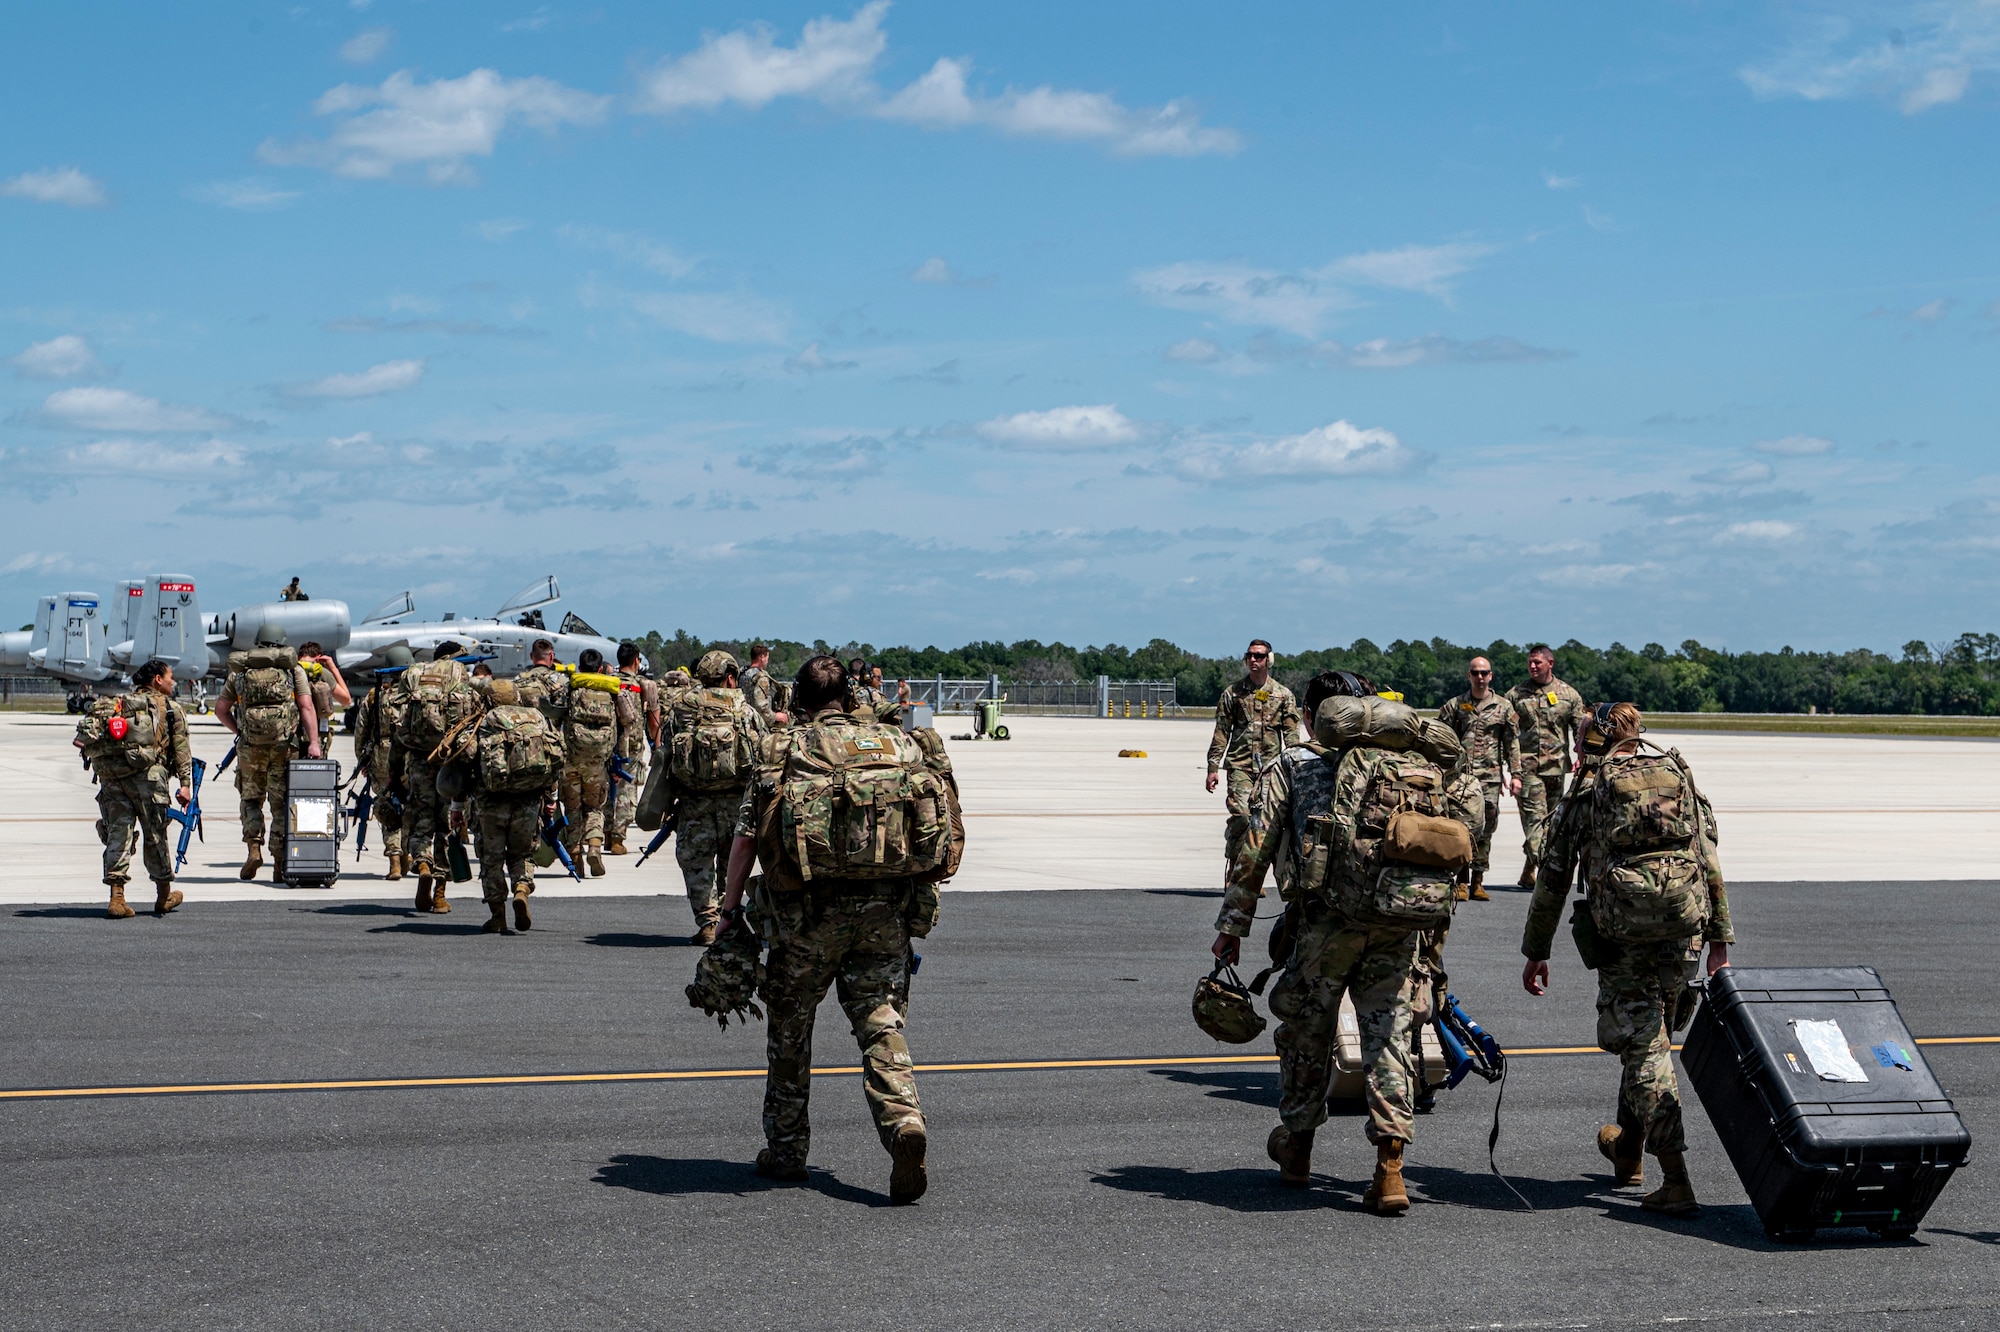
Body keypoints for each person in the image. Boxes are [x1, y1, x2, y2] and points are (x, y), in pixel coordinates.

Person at [1213, 675, 1478, 1213]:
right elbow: (1467, 822)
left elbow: (1255, 847)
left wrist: (1232, 927)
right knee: (1391, 1037)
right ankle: (1390, 1169)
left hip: (1324, 925)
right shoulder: (1418, 766)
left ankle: (1299, 1150)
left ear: (1311, 715)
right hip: (1400, 923)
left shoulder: (1292, 764)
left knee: (1307, 1032)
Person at [715, 654, 943, 1203]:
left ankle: (788, 1151)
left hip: (805, 918)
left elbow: (746, 840)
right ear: (851, 696)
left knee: (791, 1028)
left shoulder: (784, 749)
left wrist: (727, 912)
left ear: (799, 699)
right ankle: (902, 1121)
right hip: (886, 914)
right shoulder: (899, 744)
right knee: (880, 1022)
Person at [1521, 702, 1733, 1216]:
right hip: (1684, 935)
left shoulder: (1589, 796)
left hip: (1623, 940)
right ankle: (1627, 1153)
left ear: (1593, 742)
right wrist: (1720, 941)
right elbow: (1708, 859)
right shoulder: (1676, 778)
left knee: (1644, 1049)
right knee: (1649, 1035)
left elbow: (1551, 880)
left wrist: (1537, 951)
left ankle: (1676, 1176)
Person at [74, 659, 194, 918]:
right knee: (155, 835)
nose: (174, 681)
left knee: (119, 833)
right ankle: (164, 896)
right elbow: (182, 751)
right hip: (150, 781)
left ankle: (117, 899)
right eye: (170, 677)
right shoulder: (171, 709)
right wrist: (186, 785)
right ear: (158, 679)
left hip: (113, 779)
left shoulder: (119, 706)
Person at [660, 650, 763, 944]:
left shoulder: (682, 709)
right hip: (737, 802)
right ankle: (727, 917)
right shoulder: (745, 711)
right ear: (731, 677)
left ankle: (707, 921)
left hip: (695, 802)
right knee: (732, 860)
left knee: (696, 862)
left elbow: (666, 752)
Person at [452, 675, 564, 935]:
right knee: (522, 854)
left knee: (491, 860)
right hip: (529, 800)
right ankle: (522, 889)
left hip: (490, 802)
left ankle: (497, 916)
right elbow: (553, 757)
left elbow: (464, 757)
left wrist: (457, 805)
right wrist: (551, 799)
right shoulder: (537, 718)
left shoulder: (485, 720)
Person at [216, 625, 320, 883]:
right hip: (284, 747)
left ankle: (253, 848)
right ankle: (279, 864)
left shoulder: (240, 672)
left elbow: (220, 709)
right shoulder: (291, 670)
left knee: (251, 800)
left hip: (250, 748)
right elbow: (306, 707)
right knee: (282, 804)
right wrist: (314, 742)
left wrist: (240, 729)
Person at [1205, 639, 1303, 885]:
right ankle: (1236, 871)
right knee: (1242, 816)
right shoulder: (1233, 693)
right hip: (1240, 766)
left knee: (1266, 824)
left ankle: (1254, 877)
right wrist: (1213, 767)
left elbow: (1291, 737)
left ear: (1269, 660)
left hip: (1271, 769)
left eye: (1259, 656)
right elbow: (1221, 732)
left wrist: (1296, 770)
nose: (1253, 660)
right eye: (1249, 655)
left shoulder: (1283, 696)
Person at [395, 640, 477, 912]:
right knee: (445, 827)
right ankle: (440, 895)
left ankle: (421, 865)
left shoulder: (414, 675)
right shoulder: (459, 675)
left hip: (419, 760)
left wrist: (393, 775)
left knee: (421, 821)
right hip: (448, 760)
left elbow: (400, 729)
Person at [1436, 656, 1523, 901]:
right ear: (1469, 676)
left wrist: (1515, 775)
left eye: (1484, 673)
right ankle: (1461, 880)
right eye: (1475, 673)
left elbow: (1512, 744)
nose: (1480, 677)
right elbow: (1441, 739)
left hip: (1489, 778)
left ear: (1491, 676)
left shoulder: (1504, 707)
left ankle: (1478, 880)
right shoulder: (1456, 705)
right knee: (1462, 827)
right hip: (1460, 779)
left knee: (1486, 830)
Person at [1506, 644, 1589, 889]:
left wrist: (1581, 755)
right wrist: (1512, 771)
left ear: (1550, 663)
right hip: (1528, 770)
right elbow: (1508, 735)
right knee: (1534, 823)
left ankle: (1528, 872)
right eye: (1530, 662)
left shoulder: (1569, 694)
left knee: (1551, 827)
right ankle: (1548, 877)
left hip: (1556, 770)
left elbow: (1580, 728)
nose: (1532, 667)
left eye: (1538, 663)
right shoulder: (1516, 695)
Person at [352, 645, 415, 879]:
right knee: (412, 805)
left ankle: (394, 861)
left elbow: (361, 732)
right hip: (412, 753)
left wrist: (363, 761)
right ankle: (408, 852)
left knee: (387, 806)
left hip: (382, 754)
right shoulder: (417, 695)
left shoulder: (375, 695)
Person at [558, 647, 620, 876]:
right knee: (595, 807)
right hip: (598, 761)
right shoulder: (612, 692)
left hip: (572, 759)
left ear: (580, 668)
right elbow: (626, 722)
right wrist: (618, 761)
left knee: (572, 808)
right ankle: (594, 846)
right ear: (601, 669)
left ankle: (576, 857)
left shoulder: (570, 688)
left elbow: (555, 717)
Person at [604, 641, 659, 855]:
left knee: (607, 786)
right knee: (627, 789)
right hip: (631, 744)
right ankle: (618, 837)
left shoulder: (608, 682)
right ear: (636, 661)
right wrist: (655, 742)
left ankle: (606, 834)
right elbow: (654, 720)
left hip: (606, 742)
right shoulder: (644, 684)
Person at [297, 640, 353, 756]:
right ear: (318, 658)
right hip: (314, 737)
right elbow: (346, 700)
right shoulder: (321, 672)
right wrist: (333, 668)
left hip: (290, 736)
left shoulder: (292, 670)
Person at [739, 644, 788, 729]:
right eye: (767, 658)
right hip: (758, 725)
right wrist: (774, 716)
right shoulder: (761, 677)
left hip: (743, 722)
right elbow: (761, 705)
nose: (767, 662)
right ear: (762, 657)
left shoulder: (741, 674)